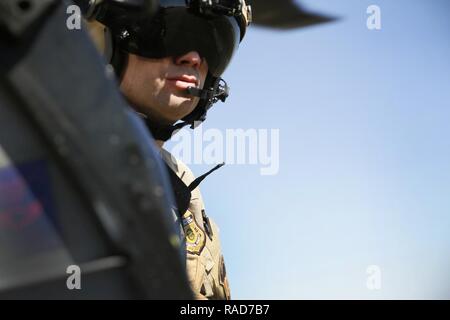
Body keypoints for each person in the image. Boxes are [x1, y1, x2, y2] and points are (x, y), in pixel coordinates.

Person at [87, 0, 252, 299]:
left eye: (212, 43)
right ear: (103, 38)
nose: (193, 58)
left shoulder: (187, 196)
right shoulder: (36, 151)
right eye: (171, 32)